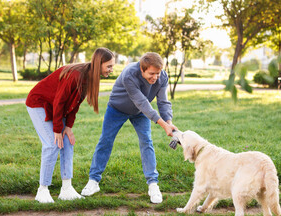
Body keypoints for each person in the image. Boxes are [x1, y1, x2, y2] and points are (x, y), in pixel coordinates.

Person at [81, 52, 177, 203]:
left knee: (147, 142)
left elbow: (163, 102)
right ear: (142, 68)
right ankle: (93, 181)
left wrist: (169, 122)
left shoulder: (162, 77)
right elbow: (141, 102)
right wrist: (162, 124)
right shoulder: (129, 74)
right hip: (117, 108)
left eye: (157, 73)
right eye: (151, 73)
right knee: (106, 141)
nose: (155, 77)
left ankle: (153, 184)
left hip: (140, 112)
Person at [26, 47, 115, 203]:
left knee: (67, 142)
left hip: (55, 106)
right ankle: (42, 191)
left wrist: (68, 127)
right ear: (98, 63)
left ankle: (66, 189)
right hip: (39, 103)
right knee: (52, 144)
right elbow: (59, 101)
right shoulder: (76, 75)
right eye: (109, 66)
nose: (111, 70)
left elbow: (75, 103)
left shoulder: (90, 77)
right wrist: (57, 130)